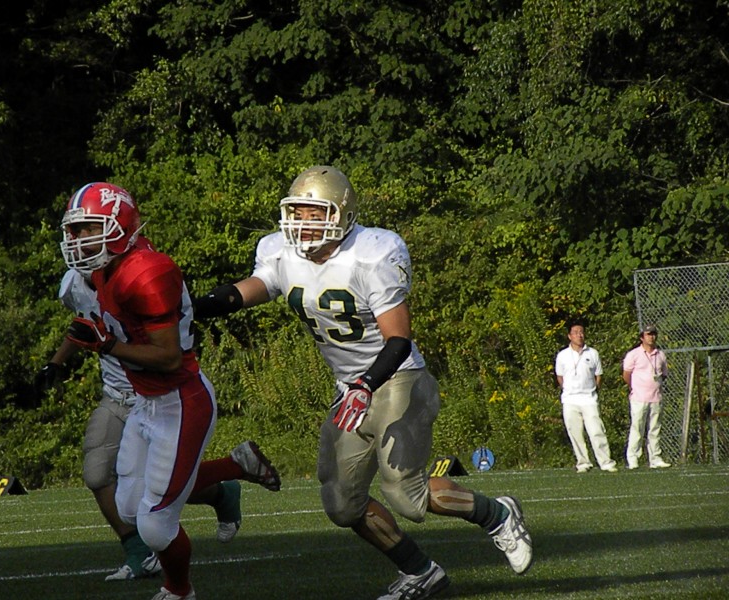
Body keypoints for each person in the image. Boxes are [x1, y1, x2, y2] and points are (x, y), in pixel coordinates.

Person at [190, 166, 533, 600]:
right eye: (298, 213)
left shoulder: (372, 253)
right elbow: (244, 292)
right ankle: (420, 571)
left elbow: (398, 340)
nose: (304, 224)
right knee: (342, 504)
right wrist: (188, 307)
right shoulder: (280, 253)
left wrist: (366, 383)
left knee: (407, 497)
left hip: (397, 378)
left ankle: (496, 514)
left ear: (342, 214)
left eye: (316, 214)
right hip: (350, 388)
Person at [59, 182, 281, 600]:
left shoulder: (145, 272)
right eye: (76, 230)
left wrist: (108, 345)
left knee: (156, 525)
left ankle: (179, 590)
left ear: (119, 225)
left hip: (180, 401)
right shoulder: (105, 269)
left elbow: (168, 358)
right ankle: (237, 466)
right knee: (129, 507)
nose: (80, 240)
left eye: (89, 229)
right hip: (146, 401)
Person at [34, 261, 244, 583]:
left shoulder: (138, 279)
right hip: (116, 394)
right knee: (98, 472)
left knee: (156, 485)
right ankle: (138, 552)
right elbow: (84, 324)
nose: (83, 246)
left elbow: (165, 346)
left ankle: (221, 491)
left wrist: (110, 345)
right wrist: (55, 362)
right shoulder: (74, 284)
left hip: (155, 394)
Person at [554, 322, 618, 473]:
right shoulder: (562, 355)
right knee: (575, 432)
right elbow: (560, 376)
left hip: (589, 398)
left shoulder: (592, 353)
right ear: (569, 336)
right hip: (570, 399)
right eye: (576, 332)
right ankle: (583, 463)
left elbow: (598, 375)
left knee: (596, 430)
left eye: (581, 332)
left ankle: (606, 462)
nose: (579, 335)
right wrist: (568, 389)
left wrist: (593, 390)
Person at [622, 324, 671, 469]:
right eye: (648, 334)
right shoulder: (634, 354)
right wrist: (634, 387)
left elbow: (664, 374)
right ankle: (633, 458)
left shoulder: (660, 355)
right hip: (639, 398)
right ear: (642, 337)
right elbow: (626, 374)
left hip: (656, 398)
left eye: (653, 334)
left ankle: (655, 458)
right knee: (637, 428)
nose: (652, 337)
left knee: (655, 429)